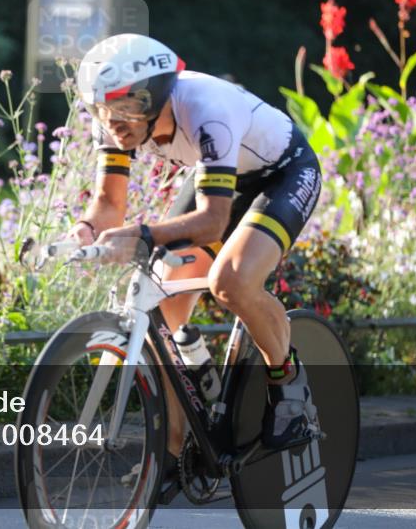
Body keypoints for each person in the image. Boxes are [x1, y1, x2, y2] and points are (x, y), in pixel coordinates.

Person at [68, 33, 322, 500]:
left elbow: (212, 222)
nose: (113, 122)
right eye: (102, 109)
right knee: (159, 305)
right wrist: (84, 231)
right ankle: (177, 447)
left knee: (231, 280)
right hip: (218, 181)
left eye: (126, 107)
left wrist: (144, 235)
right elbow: (109, 204)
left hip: (283, 175)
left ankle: (288, 386)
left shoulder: (204, 106)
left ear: (159, 92)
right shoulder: (115, 117)